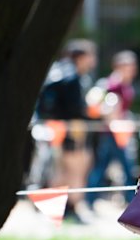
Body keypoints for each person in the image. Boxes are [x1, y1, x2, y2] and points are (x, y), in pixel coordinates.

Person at [35, 39, 98, 223]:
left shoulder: (57, 71)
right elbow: (76, 109)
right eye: (90, 56)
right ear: (81, 57)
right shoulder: (73, 77)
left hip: (55, 130)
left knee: (59, 169)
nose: (93, 61)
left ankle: (57, 208)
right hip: (71, 131)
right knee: (74, 170)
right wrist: (92, 110)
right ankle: (69, 207)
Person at [85, 50, 138, 209]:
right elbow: (105, 108)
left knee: (103, 168)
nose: (132, 69)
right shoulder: (112, 84)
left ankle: (90, 201)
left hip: (118, 133)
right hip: (112, 133)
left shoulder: (123, 83)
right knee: (122, 169)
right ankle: (130, 202)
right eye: (129, 66)